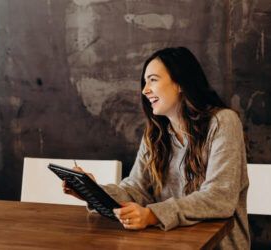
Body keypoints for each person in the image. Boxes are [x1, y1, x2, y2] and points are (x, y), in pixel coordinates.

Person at [63, 47, 250, 249]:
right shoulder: (155, 134)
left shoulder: (223, 122)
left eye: (153, 79)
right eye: (145, 82)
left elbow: (219, 197)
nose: (145, 90)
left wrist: (152, 215)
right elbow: (136, 189)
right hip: (168, 243)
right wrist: (93, 192)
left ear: (180, 83)